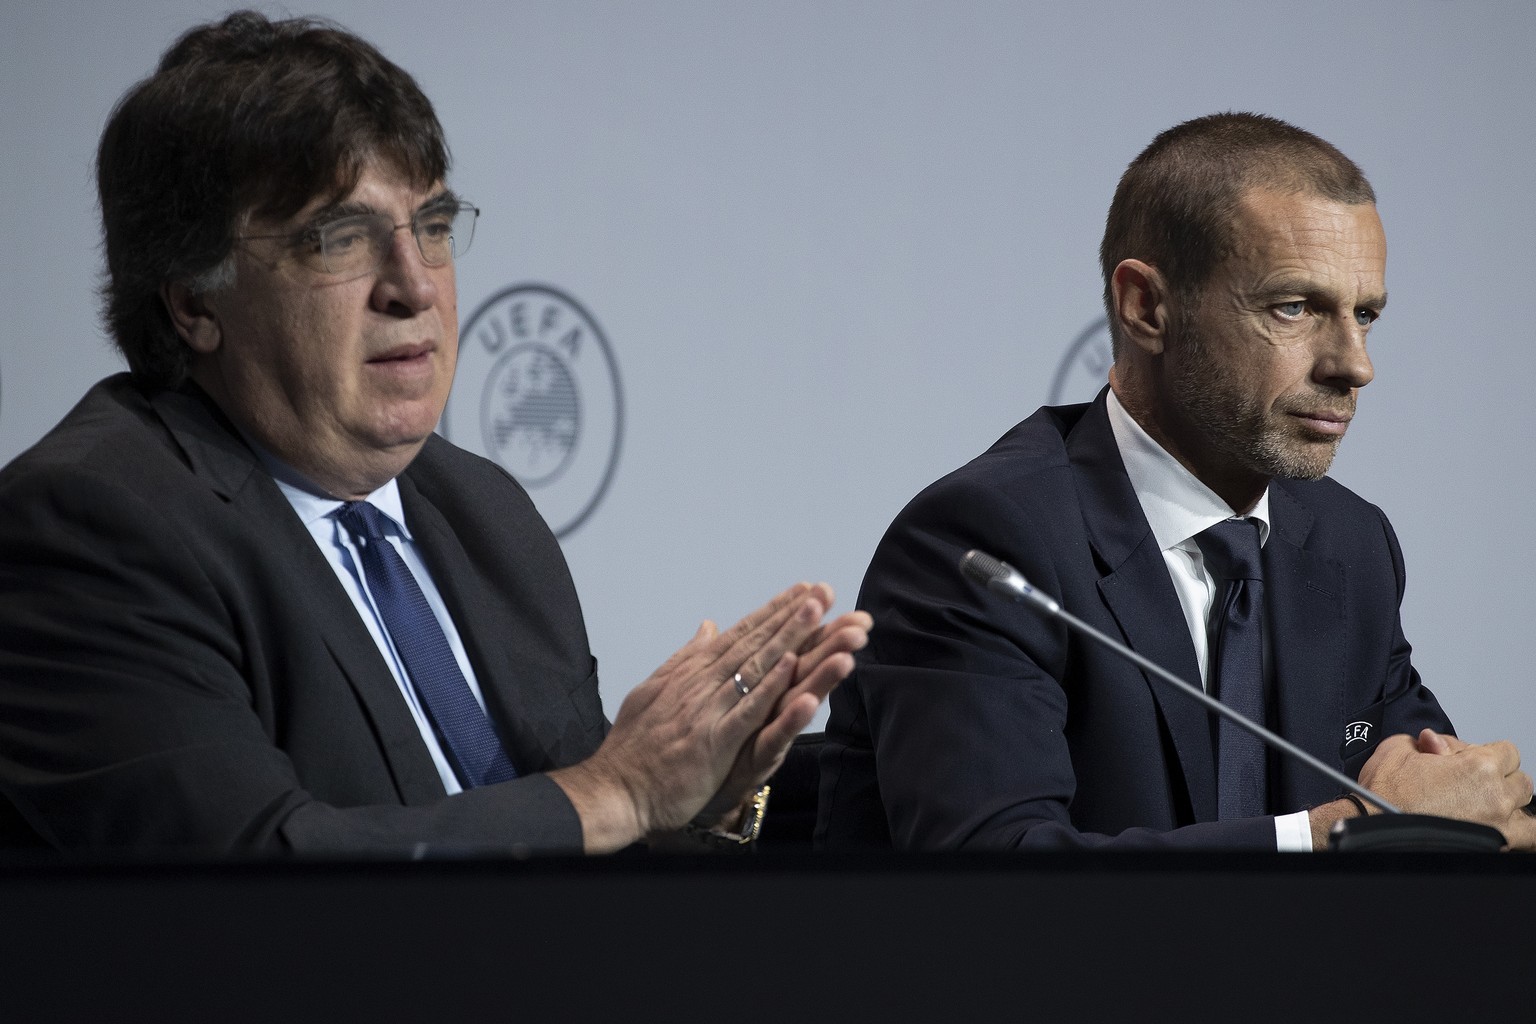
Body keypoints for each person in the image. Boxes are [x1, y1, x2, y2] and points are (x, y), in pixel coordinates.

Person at [0, 11, 870, 855]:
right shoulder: (91, 526)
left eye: (435, 228)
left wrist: (700, 803)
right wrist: (620, 792)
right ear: (194, 301)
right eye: (339, 239)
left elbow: (566, 830)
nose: (413, 287)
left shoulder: (475, 507)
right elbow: (251, 879)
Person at [816, 112, 1536, 852]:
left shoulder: (1349, 544)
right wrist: (1334, 835)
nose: (1354, 364)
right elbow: (998, 871)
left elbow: (1447, 807)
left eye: (1365, 315)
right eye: (1294, 307)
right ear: (1147, 307)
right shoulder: (989, 543)